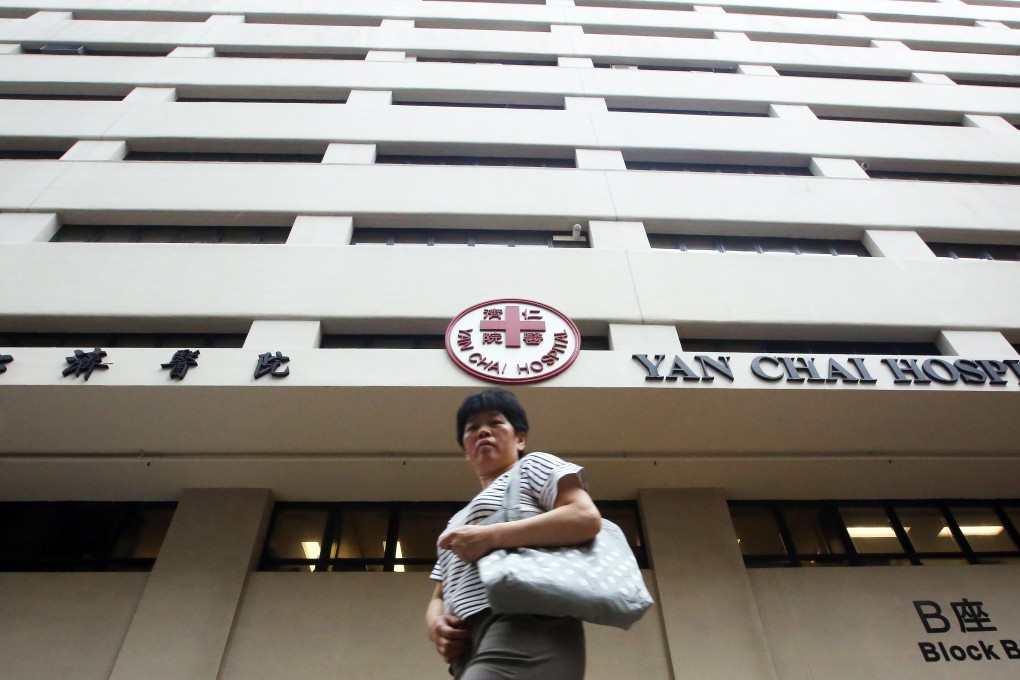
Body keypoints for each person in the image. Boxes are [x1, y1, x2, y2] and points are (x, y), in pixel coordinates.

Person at [425, 388, 601, 679]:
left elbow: (584, 517)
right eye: (472, 428)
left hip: (526, 625)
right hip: (469, 647)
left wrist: (491, 537)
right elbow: (439, 593)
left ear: (520, 439)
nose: (483, 431)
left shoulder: (534, 466)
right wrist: (434, 625)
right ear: (466, 452)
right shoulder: (455, 521)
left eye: (495, 423)